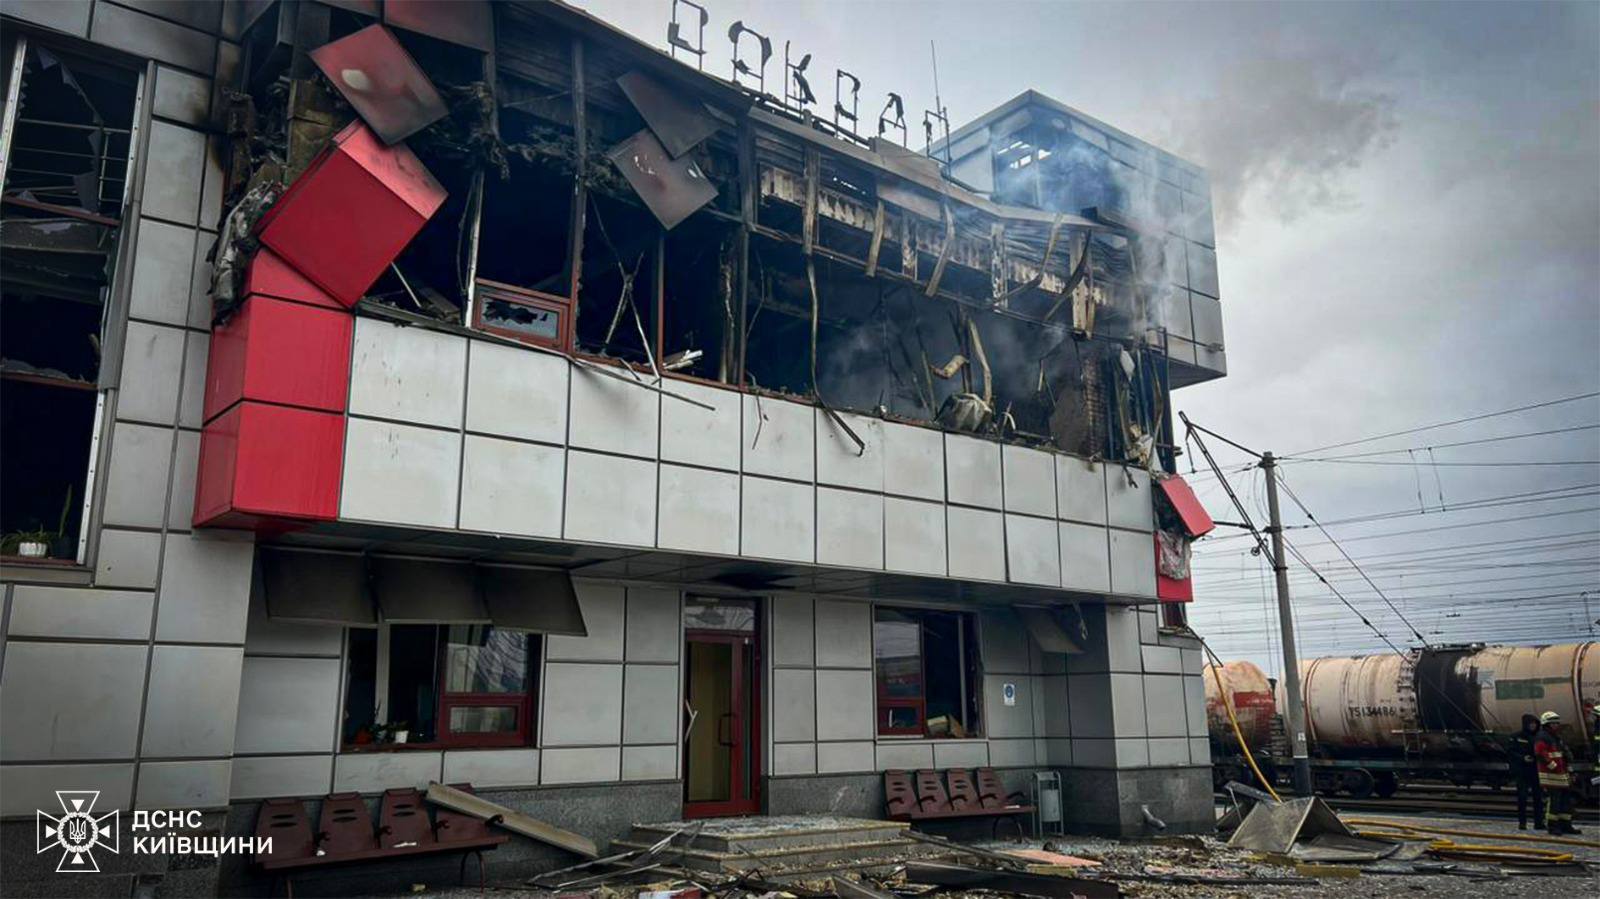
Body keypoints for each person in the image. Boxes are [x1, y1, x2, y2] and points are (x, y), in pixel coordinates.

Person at [1533, 710, 1580, 835]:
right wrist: (1553, 766)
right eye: (1553, 723)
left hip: (1561, 774)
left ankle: (1566, 824)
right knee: (1554, 801)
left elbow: (1562, 755)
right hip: (1551, 775)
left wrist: (1569, 770)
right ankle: (1552, 826)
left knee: (1565, 800)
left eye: (1557, 723)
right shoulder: (1542, 737)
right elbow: (1540, 754)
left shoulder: (1555, 737)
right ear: (1546, 724)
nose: (1556, 725)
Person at [1508, 713, 1543, 830]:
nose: (1533, 726)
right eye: (1531, 724)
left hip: (1536, 770)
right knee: (1522, 797)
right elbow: (1510, 752)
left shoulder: (1539, 736)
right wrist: (1522, 758)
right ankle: (1522, 822)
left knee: (1538, 797)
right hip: (1522, 771)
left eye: (1535, 723)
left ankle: (1539, 822)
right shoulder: (1517, 736)